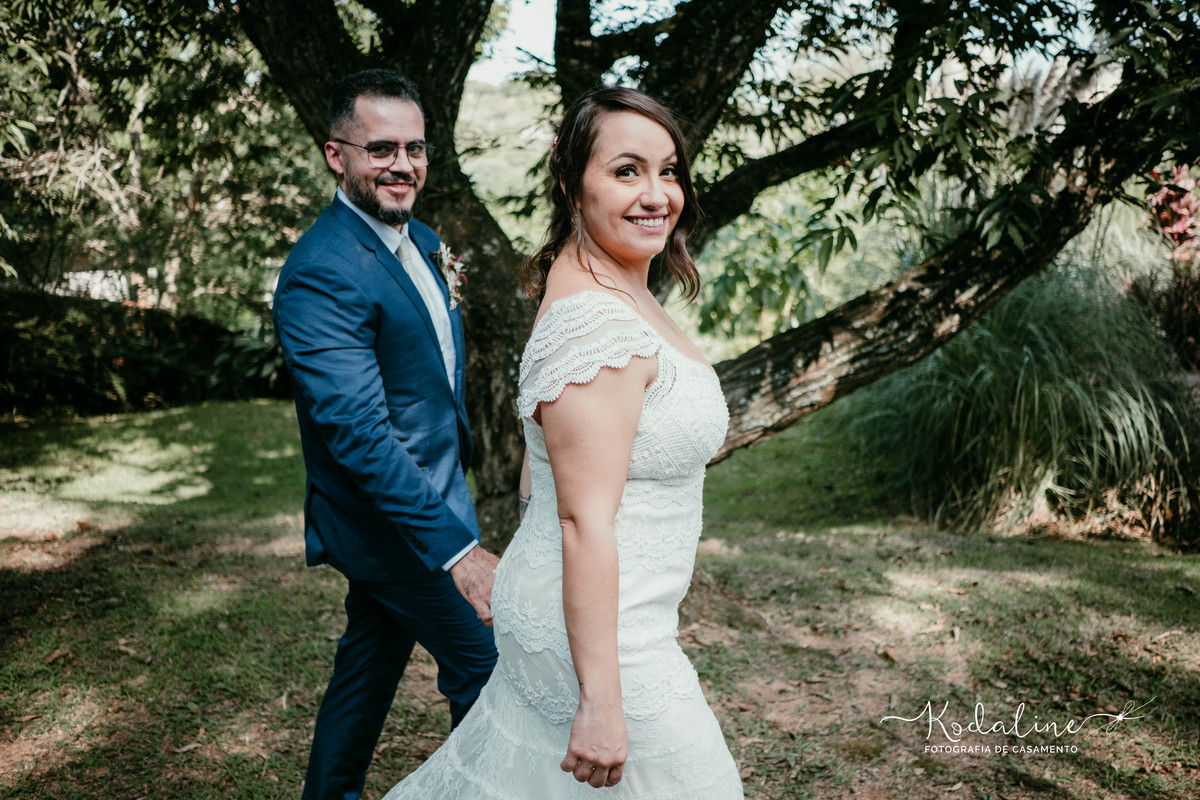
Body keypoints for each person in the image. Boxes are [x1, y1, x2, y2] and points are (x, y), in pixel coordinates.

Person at [382, 86, 743, 798]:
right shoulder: (597, 324)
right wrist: (601, 699)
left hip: (599, 605)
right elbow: (582, 520)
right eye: (626, 170)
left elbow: (534, 471)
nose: (656, 194)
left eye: (669, 171)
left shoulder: (605, 286)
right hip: (606, 633)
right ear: (571, 183)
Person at [273, 68, 500, 800]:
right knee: (489, 670)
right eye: (381, 149)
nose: (403, 165)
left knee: (367, 669)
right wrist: (458, 551)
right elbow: (360, 435)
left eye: (416, 148)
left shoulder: (424, 239)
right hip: (391, 523)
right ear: (336, 155)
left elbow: (430, 378)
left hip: (436, 500)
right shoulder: (320, 273)